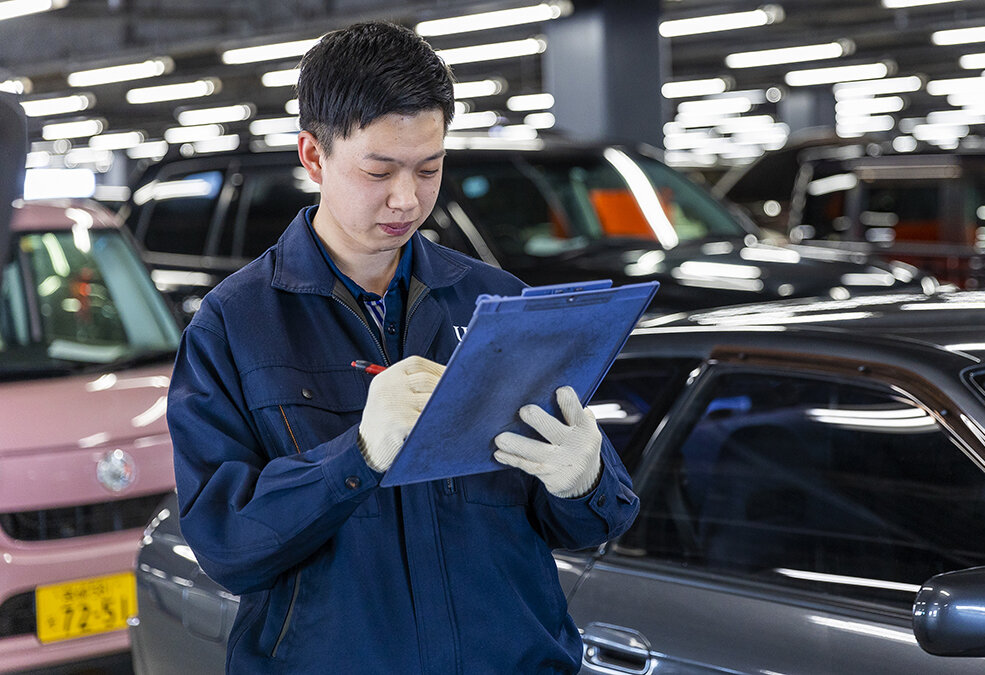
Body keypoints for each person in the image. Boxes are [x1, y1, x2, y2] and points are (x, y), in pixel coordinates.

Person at [167, 21, 639, 674]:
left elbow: (591, 522)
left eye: (429, 168)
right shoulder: (233, 327)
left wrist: (585, 478)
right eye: (379, 170)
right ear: (313, 157)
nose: (407, 198)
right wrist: (355, 457)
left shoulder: (493, 302)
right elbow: (227, 547)